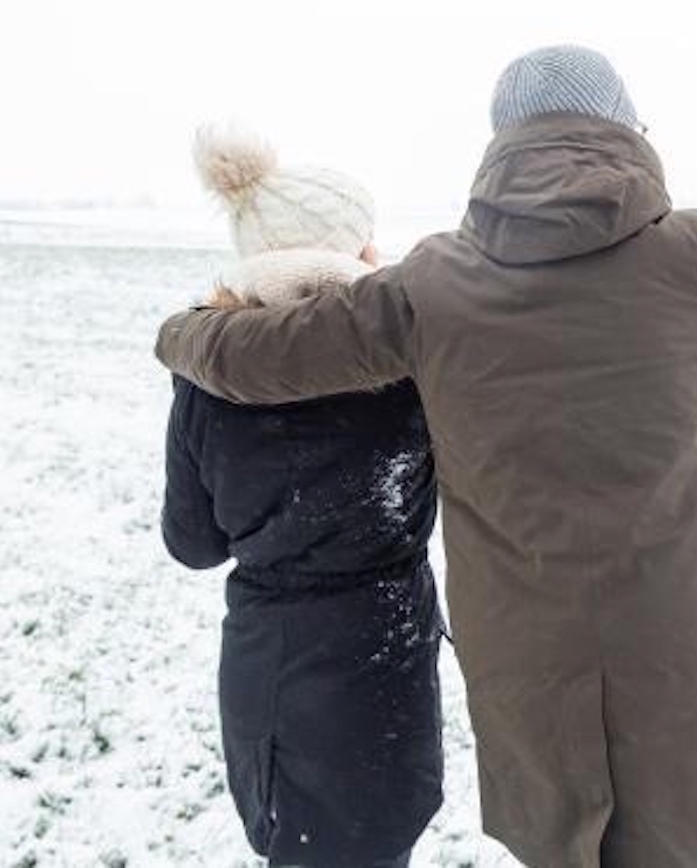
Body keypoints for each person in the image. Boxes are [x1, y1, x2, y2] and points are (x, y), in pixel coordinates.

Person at [156, 46, 697, 868]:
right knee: (684, 832)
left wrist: (181, 332)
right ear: (624, 128)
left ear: (499, 144)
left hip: (524, 650)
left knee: (561, 832)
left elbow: (264, 355)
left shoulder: (434, 285)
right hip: (679, 631)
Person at [160, 126, 444, 868]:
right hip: (390, 647)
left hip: (275, 661)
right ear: (352, 249)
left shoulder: (209, 378)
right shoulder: (411, 366)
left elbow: (191, 544)